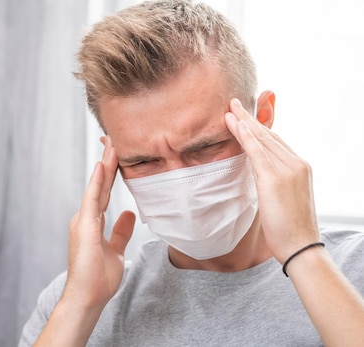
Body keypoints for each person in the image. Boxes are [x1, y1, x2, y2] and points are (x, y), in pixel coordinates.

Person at [19, 0, 364, 346]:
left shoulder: (352, 272)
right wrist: (79, 304)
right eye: (143, 162)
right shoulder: (76, 303)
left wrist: (303, 252)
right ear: (112, 157)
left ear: (261, 119)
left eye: (203, 147)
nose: (182, 186)